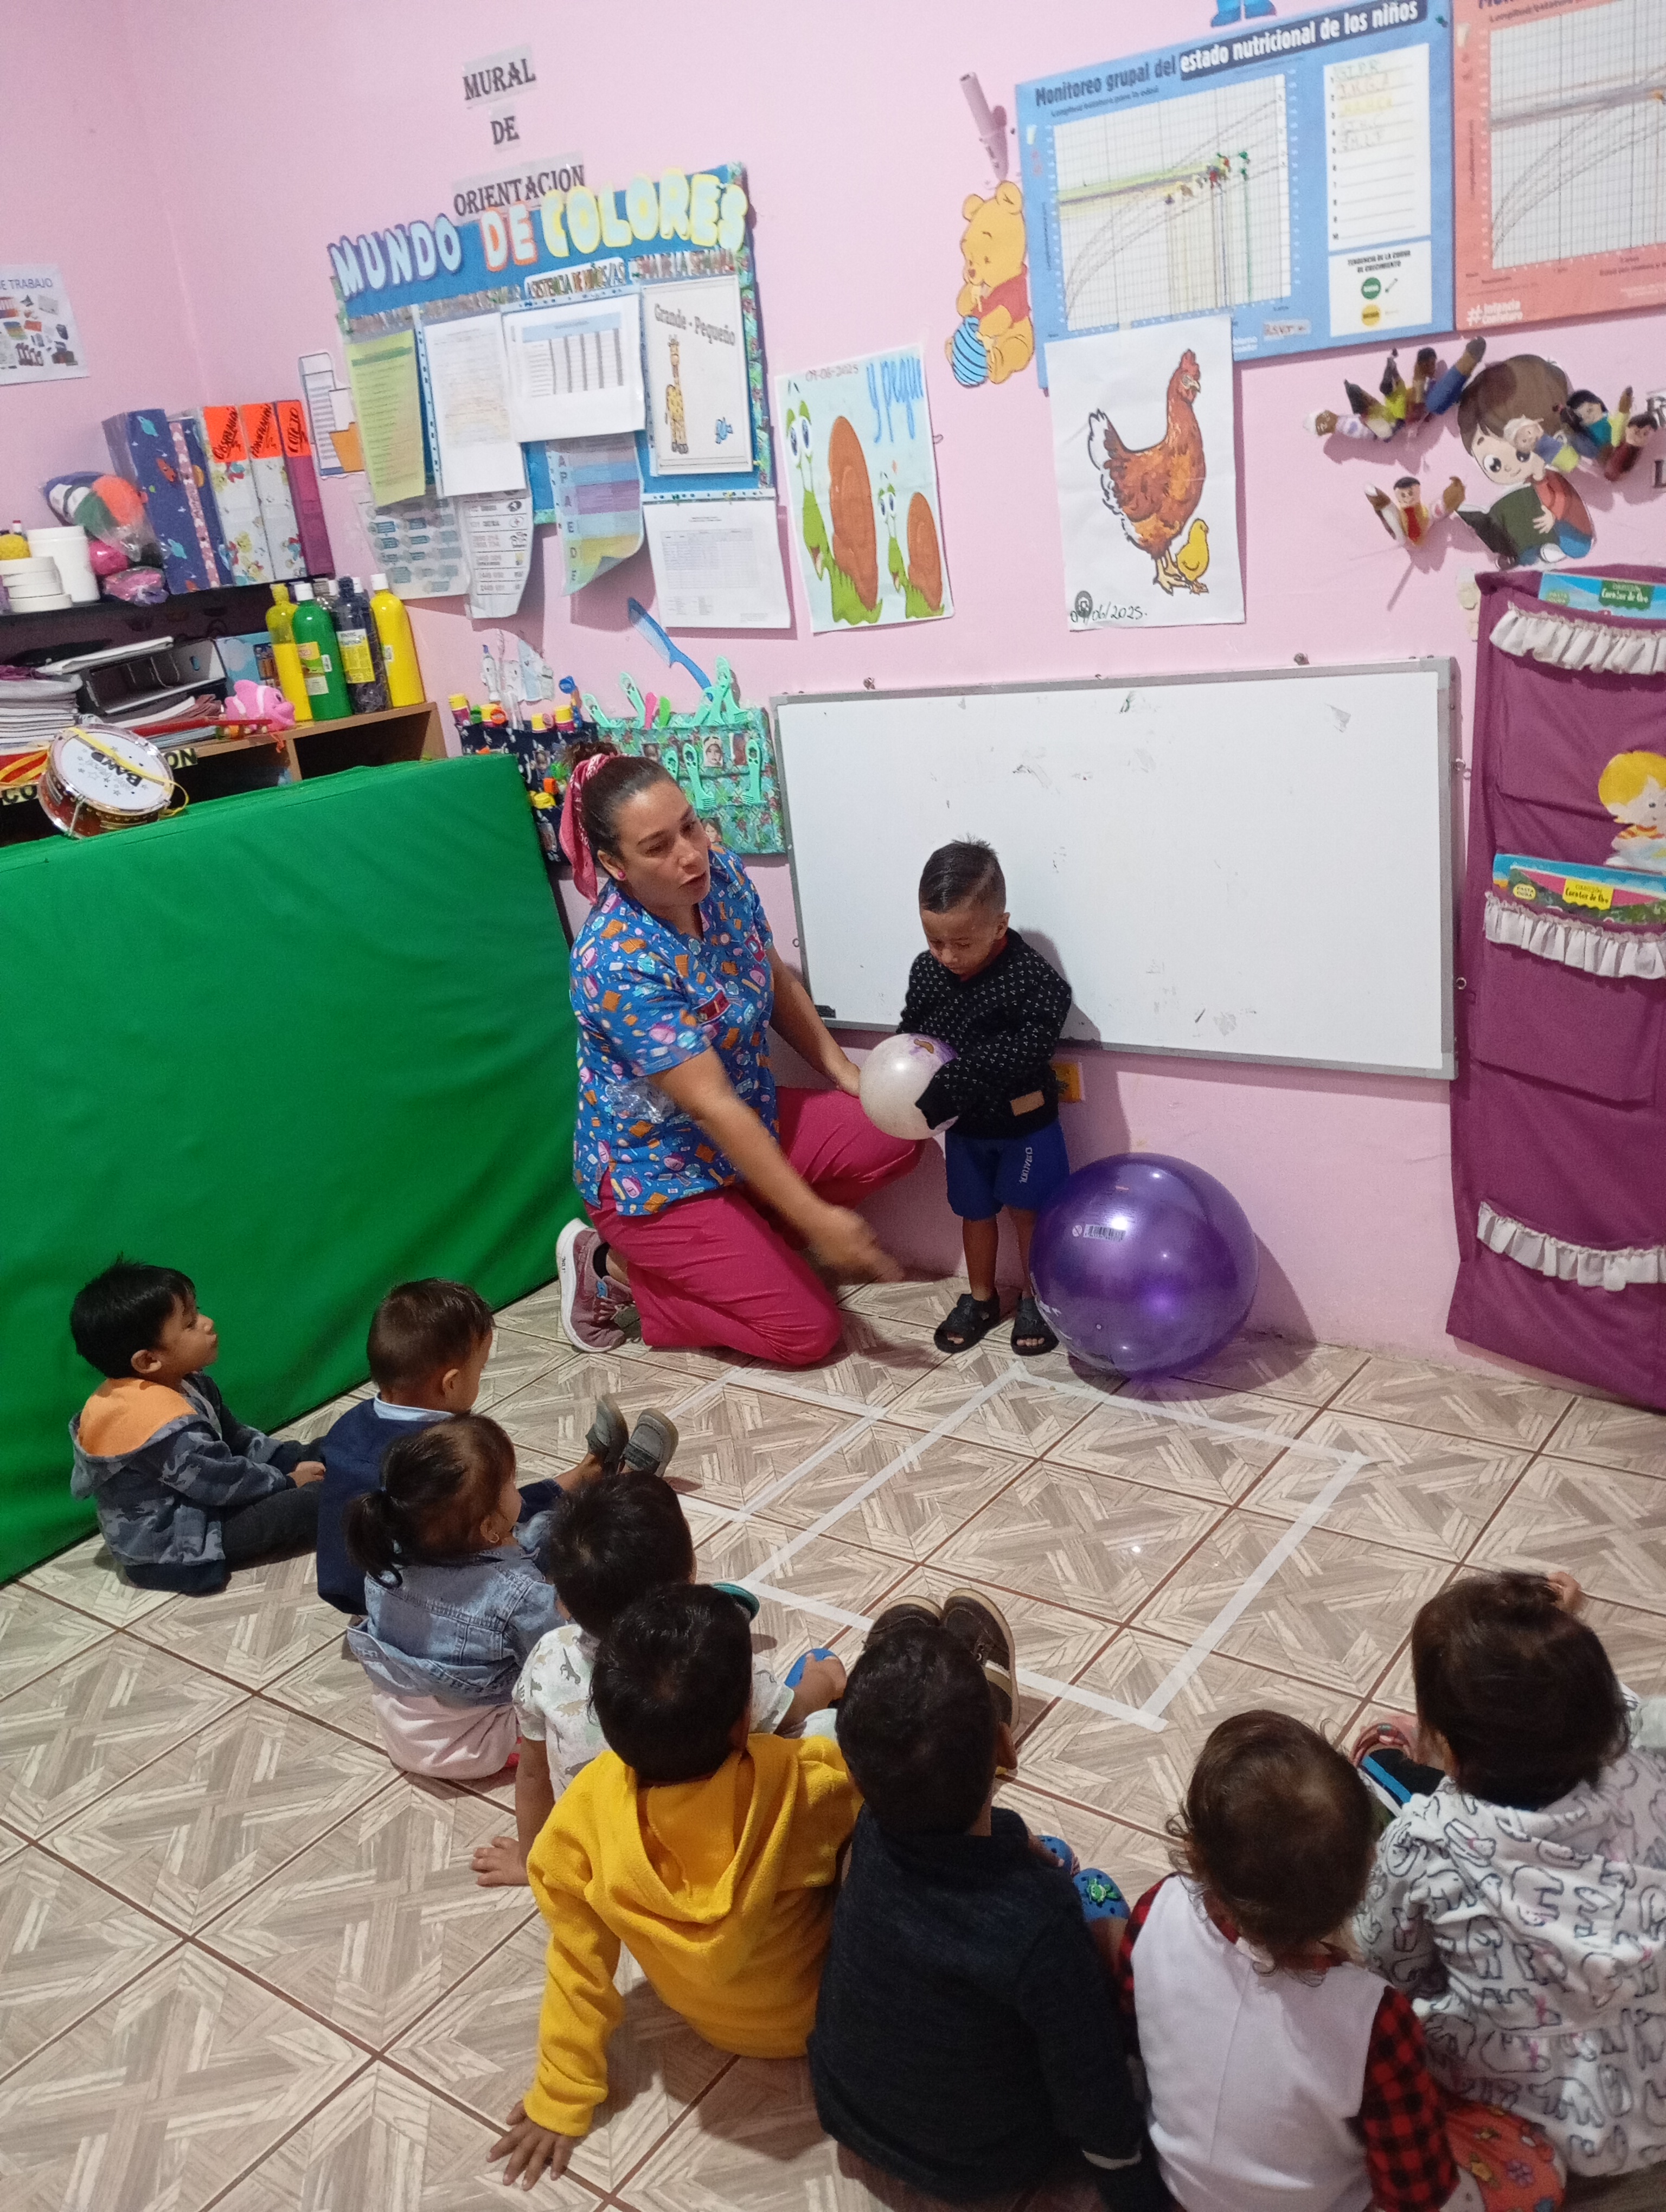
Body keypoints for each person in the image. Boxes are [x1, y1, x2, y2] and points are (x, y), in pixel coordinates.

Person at [555, 748, 922, 1367]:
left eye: (690, 826)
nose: (690, 854)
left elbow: (772, 977)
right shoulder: (615, 961)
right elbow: (712, 1106)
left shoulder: (720, 875)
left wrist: (846, 1073)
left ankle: (742, 1247)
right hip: (657, 1175)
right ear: (615, 865)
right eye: (657, 847)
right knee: (807, 1333)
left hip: (744, 1126)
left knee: (892, 1130)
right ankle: (613, 1269)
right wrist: (816, 1220)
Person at [489, 1583, 860, 2189]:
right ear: (744, 1723)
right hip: (824, 2017)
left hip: (710, 2023)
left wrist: (559, 2099)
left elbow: (577, 1970)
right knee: (833, 1733)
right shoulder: (801, 1782)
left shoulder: (581, 1816)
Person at [1117, 1708, 1561, 2212]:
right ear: (1367, 1870)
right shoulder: (1374, 2018)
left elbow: (1136, 2039)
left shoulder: (1155, 1908)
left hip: (1180, 2189)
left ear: (1196, 1852)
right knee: (1536, 2165)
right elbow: (1416, 2194)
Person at [810, 1592, 1161, 2210]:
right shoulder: (1038, 1919)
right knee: (1095, 1898)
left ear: (858, 1778)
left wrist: (1010, 1837)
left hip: (847, 2109)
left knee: (1045, 1862)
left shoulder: (868, 1835)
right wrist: (1132, 2186)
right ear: (1006, 1748)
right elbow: (1090, 2083)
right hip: (984, 2161)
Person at [1355, 1570, 1666, 2184]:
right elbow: (1620, 1717)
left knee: (1377, 1783)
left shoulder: (1425, 1843)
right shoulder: (1648, 1773)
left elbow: (1389, 1966)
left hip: (1529, 2132)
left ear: (1445, 1745)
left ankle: (1379, 1763)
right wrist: (1558, 1636)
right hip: (1655, 2096)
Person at [471, 1470, 845, 1886]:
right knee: (827, 1724)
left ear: (562, 1601)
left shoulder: (546, 1659)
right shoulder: (708, 1665)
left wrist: (531, 1860)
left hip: (605, 1865)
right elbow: (794, 1709)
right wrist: (824, 1681)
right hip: (708, 1856)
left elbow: (533, 1773)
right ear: (690, 1577)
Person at [311, 1275, 666, 1615]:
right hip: (417, 1592)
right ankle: (620, 1488)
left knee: (485, 1496)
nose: (480, 1376)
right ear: (451, 1384)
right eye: (480, 1369)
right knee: (538, 1527)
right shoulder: (437, 1455)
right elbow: (486, 1529)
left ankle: (586, 1473)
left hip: (359, 1584)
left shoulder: (348, 1425)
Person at [344, 1412, 671, 1780]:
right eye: (512, 1484)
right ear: (488, 1528)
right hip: (469, 1743)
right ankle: (618, 1500)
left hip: (405, 1728)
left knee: (532, 1532)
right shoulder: (517, 1598)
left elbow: (508, 1550)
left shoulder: (387, 1557)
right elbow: (559, 1653)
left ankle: (598, 1483)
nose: (517, 1489)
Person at [898, 839, 1074, 1356]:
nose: (948, 957)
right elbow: (915, 1033)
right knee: (974, 1212)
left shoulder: (1033, 979)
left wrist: (957, 1079)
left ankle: (1036, 1299)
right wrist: (905, 1068)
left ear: (1000, 925)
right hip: (965, 1128)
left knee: (1029, 1213)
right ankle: (981, 1298)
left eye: (962, 943)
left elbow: (1029, 1047)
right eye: (935, 941)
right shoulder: (927, 971)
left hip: (1024, 1125)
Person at [68, 1258, 324, 1594]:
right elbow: (222, 1481)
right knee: (309, 1503)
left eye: (197, 1312)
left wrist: (289, 1458)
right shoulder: (161, 1427)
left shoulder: (190, 1383)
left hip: (203, 1500)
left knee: (322, 1450)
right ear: (148, 1360)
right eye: (189, 1324)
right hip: (175, 1544)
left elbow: (234, 1439)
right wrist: (286, 1481)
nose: (207, 1323)